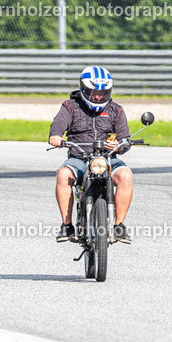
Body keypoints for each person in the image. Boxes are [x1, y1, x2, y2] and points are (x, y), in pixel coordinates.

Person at [48, 65, 134, 244]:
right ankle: (67, 225)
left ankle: (119, 226)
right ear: (83, 89)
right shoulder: (70, 106)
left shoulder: (116, 110)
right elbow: (59, 122)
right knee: (63, 174)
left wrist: (119, 145)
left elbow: (126, 138)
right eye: (93, 91)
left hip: (108, 159)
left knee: (126, 175)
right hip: (79, 158)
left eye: (103, 92)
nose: (97, 96)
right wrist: (55, 135)